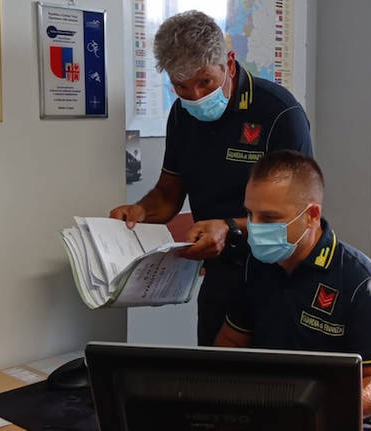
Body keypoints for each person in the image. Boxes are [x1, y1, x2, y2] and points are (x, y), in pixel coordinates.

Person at [110, 10, 312, 346]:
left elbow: (298, 219)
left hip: (279, 276)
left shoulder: (279, 113)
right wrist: (140, 211)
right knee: (213, 372)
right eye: (181, 87)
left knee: (274, 377)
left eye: (205, 82)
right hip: (221, 276)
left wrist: (229, 227)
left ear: (229, 64)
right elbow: (168, 193)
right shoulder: (182, 115)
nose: (196, 97)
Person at [215, 150, 371, 430]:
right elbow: (230, 343)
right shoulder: (256, 266)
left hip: (332, 419)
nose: (254, 228)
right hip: (269, 413)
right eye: (249, 214)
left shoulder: (361, 283)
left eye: (269, 218)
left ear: (312, 216)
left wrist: (309, 412)